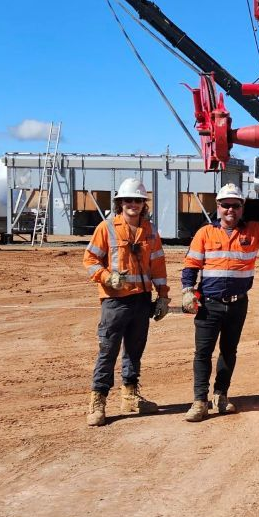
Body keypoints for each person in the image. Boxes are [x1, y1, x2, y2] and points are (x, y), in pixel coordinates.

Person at [181, 183, 259, 422]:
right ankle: (199, 401)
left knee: (229, 351)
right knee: (203, 353)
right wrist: (187, 291)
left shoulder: (252, 232)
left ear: (242, 208)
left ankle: (221, 395)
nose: (230, 210)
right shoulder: (205, 233)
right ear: (218, 207)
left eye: (235, 206)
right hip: (209, 304)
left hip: (237, 305)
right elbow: (191, 265)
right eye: (226, 205)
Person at [83, 177, 170, 427]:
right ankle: (97, 401)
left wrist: (162, 295)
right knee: (108, 350)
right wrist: (107, 277)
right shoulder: (107, 228)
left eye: (138, 200)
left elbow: (158, 266)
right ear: (120, 203)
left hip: (142, 300)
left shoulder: (151, 231)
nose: (133, 204)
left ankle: (130, 396)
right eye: (128, 200)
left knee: (134, 350)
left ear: (144, 204)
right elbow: (90, 260)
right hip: (115, 301)